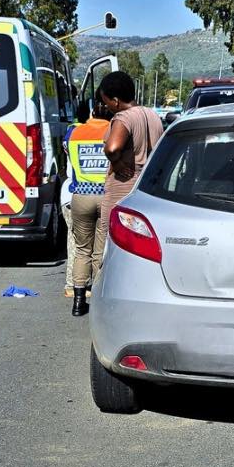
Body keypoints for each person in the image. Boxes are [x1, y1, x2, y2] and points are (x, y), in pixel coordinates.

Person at [86, 71, 163, 316]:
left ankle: (113, 305)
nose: (106, 106)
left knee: (113, 250)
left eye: (106, 100)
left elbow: (113, 147)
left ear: (116, 100)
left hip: (122, 187)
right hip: (147, 188)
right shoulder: (152, 115)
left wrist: (116, 162)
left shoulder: (123, 117)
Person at [65, 100, 111, 314]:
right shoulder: (113, 131)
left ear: (92, 111)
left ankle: (78, 301)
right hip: (105, 195)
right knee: (99, 252)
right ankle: (101, 302)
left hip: (81, 195)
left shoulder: (74, 132)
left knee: (82, 250)